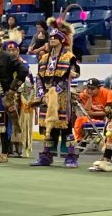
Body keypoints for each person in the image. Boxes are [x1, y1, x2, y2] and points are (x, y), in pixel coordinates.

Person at [30, 20, 80, 168]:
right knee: (48, 127)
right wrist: (41, 92)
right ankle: (46, 155)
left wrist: (55, 92)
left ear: (61, 40)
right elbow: (39, 76)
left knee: (65, 127)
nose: (51, 39)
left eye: (55, 38)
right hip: (46, 95)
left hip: (62, 96)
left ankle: (70, 156)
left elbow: (69, 76)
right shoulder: (44, 58)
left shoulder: (69, 57)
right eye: (50, 37)